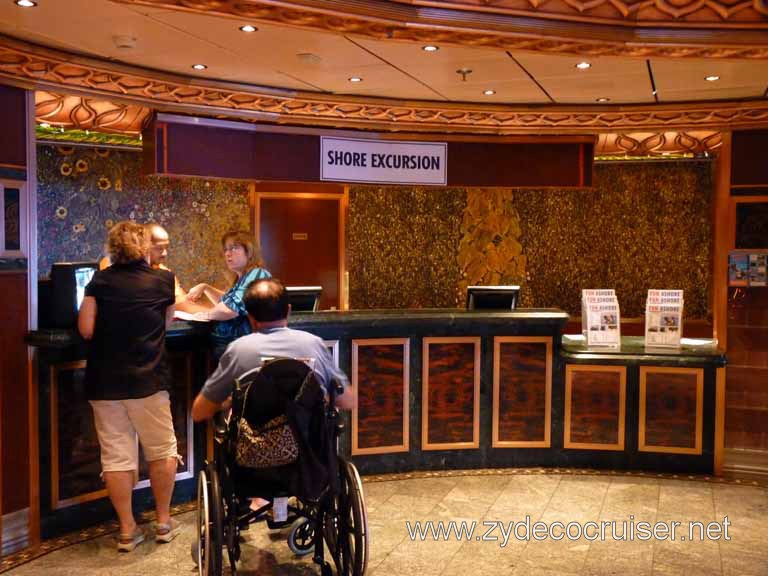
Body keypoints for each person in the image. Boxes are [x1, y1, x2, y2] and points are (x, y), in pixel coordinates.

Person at [78, 220, 181, 552]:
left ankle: (126, 530)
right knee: (162, 450)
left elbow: (86, 329)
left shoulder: (100, 281)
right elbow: (168, 321)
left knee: (116, 458)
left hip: (105, 383)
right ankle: (164, 523)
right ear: (144, 246)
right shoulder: (162, 280)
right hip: (149, 379)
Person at [192, 278, 355, 423]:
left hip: (254, 454)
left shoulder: (237, 350)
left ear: (250, 317)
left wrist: (229, 401)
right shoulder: (314, 344)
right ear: (289, 310)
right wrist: (315, 399)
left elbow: (199, 412)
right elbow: (349, 401)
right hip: (310, 452)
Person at [187, 231, 271, 360]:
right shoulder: (243, 277)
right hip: (235, 347)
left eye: (234, 248)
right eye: (226, 249)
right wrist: (205, 287)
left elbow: (230, 309)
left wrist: (205, 315)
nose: (227, 253)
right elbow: (226, 302)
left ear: (249, 251)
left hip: (245, 350)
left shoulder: (257, 273)